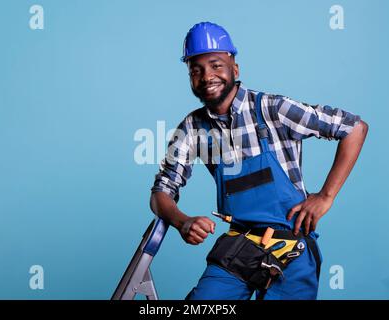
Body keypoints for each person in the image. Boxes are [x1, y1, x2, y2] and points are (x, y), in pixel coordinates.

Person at [150, 22, 368, 300]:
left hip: (292, 248)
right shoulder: (193, 128)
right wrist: (182, 222)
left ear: (235, 69)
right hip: (238, 246)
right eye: (196, 70)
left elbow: (355, 128)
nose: (207, 76)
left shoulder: (272, 109)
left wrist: (326, 196)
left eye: (216, 65)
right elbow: (161, 192)